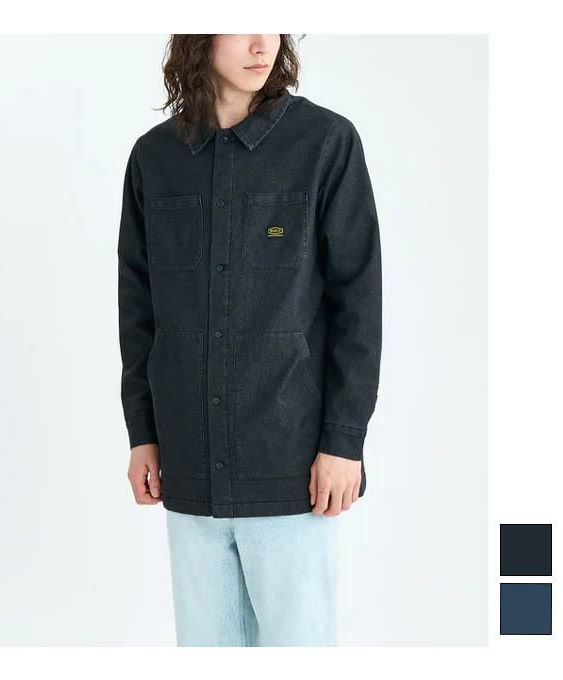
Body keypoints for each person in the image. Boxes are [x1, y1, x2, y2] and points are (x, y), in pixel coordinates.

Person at [117, 34, 382, 646]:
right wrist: (143, 432)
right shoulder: (154, 157)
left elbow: (359, 305)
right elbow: (139, 309)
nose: (263, 42)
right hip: (188, 464)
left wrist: (344, 441)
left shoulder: (325, 143)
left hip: (293, 469)